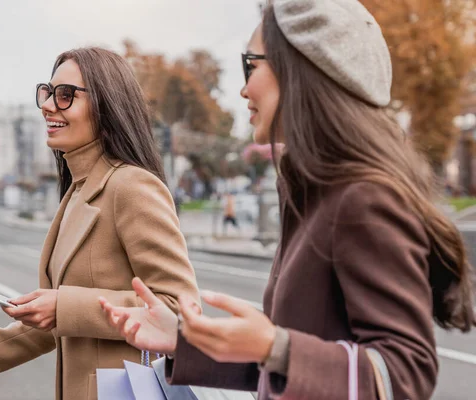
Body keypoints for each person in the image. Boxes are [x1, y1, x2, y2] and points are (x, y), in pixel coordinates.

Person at [99, 1, 476, 399]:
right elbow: (284, 366)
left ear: (301, 69)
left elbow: (406, 373)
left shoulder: (362, 198)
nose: (243, 88)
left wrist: (273, 346)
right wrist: (184, 342)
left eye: (251, 65)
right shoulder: (312, 194)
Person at [0, 47, 199, 400]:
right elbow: (50, 326)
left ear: (106, 106)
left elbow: (177, 310)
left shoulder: (131, 186)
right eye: (48, 92)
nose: (47, 105)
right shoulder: (77, 192)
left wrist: (64, 306)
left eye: (65, 96)